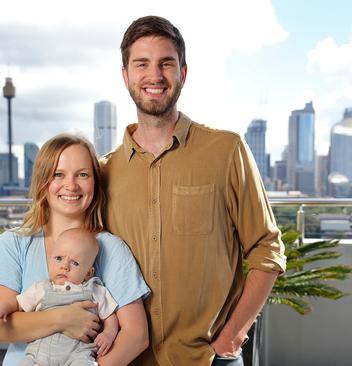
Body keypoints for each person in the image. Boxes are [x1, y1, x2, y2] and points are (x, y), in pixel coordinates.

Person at [101, 16, 287, 366]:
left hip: (209, 359)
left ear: (182, 74)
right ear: (125, 76)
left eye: (166, 64)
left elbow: (267, 247)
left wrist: (233, 334)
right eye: (142, 64)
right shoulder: (104, 171)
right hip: (128, 358)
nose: (154, 76)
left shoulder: (226, 150)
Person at [0, 134, 150, 366]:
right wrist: (64, 318)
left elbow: (136, 335)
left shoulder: (112, 249)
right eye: (58, 174)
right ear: (43, 181)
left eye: (82, 174)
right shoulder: (14, 243)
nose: (71, 185)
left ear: (95, 182)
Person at [0, 228, 119, 365]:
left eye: (75, 263)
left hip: (78, 353)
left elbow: (109, 316)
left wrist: (108, 334)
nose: (64, 266)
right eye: (59, 258)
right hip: (39, 353)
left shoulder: (95, 290)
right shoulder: (40, 288)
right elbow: (17, 303)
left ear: (89, 273)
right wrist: (1, 308)